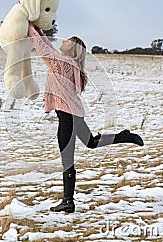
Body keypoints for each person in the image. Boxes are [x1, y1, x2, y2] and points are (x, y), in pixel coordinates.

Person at [28, 24, 144, 213]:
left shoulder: (61, 62)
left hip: (67, 117)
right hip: (75, 114)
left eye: (67, 41)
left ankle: (68, 201)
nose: (63, 41)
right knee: (90, 142)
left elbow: (42, 47)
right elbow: (46, 43)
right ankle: (124, 136)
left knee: (68, 159)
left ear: (72, 48)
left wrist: (27, 25)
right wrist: (36, 27)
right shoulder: (71, 64)